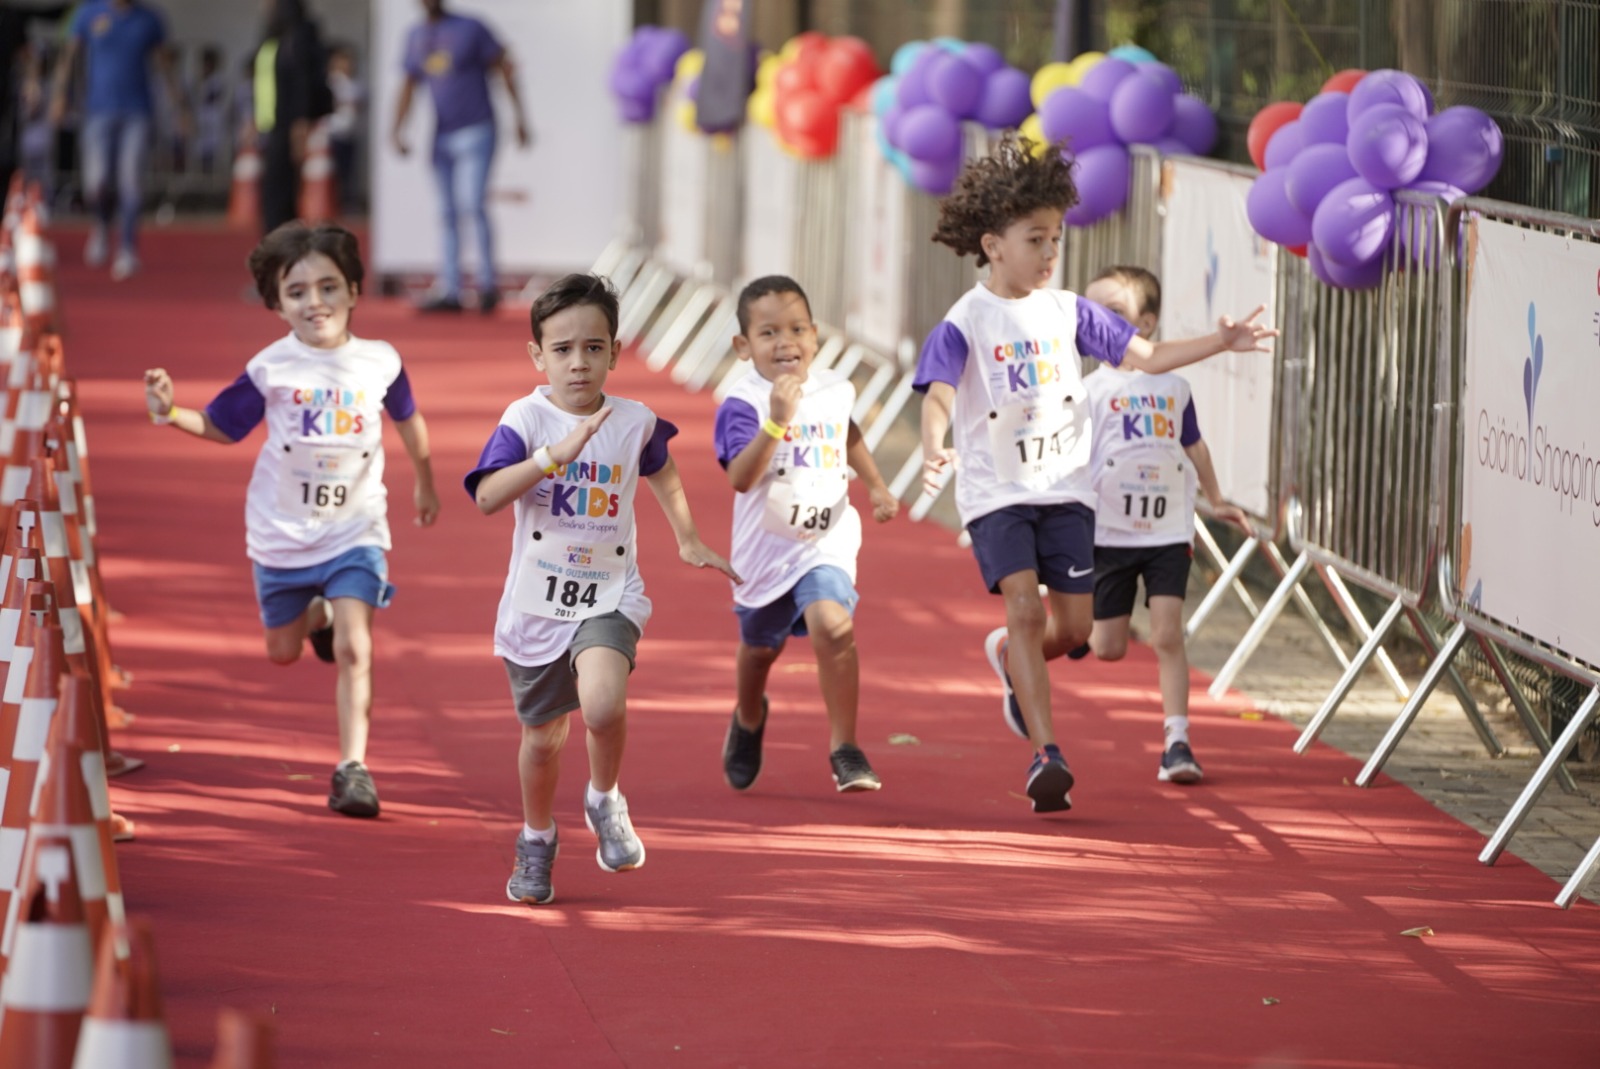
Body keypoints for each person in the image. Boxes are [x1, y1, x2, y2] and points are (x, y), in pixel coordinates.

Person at [913, 134, 1275, 814]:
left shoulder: (1069, 311)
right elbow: (936, 390)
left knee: (1075, 632)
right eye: (1035, 240)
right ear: (993, 246)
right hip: (999, 494)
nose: (1051, 254)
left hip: (1067, 493)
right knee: (1023, 607)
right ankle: (1046, 753)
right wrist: (936, 442)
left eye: (1057, 239)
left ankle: (1008, 662)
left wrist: (1220, 341)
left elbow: (1150, 355)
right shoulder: (967, 319)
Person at [142, 222, 440, 819]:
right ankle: (318, 614)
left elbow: (408, 419)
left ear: (355, 290)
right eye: (297, 291)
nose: (316, 303)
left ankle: (352, 768)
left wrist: (426, 482)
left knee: (357, 649)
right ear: (277, 304)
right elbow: (224, 426)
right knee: (282, 650)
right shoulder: (271, 368)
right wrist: (170, 411)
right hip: (281, 534)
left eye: (329, 286)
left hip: (356, 530)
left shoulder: (380, 361)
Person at [465, 273, 737, 906]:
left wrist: (687, 537)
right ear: (538, 357)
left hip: (609, 591)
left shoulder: (634, 421)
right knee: (542, 740)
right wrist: (551, 457)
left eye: (593, 347)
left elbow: (661, 470)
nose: (579, 362)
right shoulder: (525, 419)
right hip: (535, 604)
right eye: (562, 350)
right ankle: (536, 839)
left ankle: (604, 798)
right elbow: (484, 496)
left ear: (615, 352)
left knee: (604, 706)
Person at [713, 275, 898, 794]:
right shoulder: (743, 402)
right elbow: (740, 477)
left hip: (825, 540)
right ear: (743, 346)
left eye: (796, 329)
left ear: (816, 337)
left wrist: (878, 485)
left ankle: (845, 747)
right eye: (768, 333)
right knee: (758, 651)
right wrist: (777, 422)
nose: (785, 342)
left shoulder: (835, 387)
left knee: (833, 626)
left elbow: (848, 432)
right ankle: (749, 717)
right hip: (764, 551)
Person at [1068, 265, 1252, 784]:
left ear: (1145, 325)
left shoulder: (1175, 385)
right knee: (1108, 648)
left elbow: (1194, 444)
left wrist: (1215, 500)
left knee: (1168, 632)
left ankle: (1177, 743)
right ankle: (1081, 621)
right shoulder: (1089, 390)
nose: (1103, 323)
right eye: (1094, 314)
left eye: (1117, 314)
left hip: (1169, 529)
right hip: (1110, 532)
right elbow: (1073, 459)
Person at [391, 0, 531, 315]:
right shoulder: (416, 36)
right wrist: (396, 129)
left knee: (473, 204)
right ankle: (451, 289)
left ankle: (487, 285)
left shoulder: (471, 28)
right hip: (442, 136)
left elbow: (504, 68)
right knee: (447, 212)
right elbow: (409, 85)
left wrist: (520, 117)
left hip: (476, 128)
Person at [50, 0, 187, 280]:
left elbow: (164, 65)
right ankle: (101, 225)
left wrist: (179, 108)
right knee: (96, 183)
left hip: (137, 113)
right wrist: (61, 95)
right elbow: (71, 56)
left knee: (130, 183)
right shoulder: (88, 13)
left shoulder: (149, 19)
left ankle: (127, 248)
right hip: (97, 111)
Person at [253, 0, 332, 233]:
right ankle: (274, 239)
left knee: (282, 190)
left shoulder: (300, 34)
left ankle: (284, 241)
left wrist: (300, 123)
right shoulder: (271, 36)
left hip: (290, 124)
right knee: (271, 189)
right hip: (269, 123)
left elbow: (302, 81)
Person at [326, 42, 364, 213]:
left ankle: (347, 203)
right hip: (333, 133)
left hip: (350, 134)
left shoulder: (355, 83)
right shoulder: (331, 81)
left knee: (348, 172)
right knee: (332, 172)